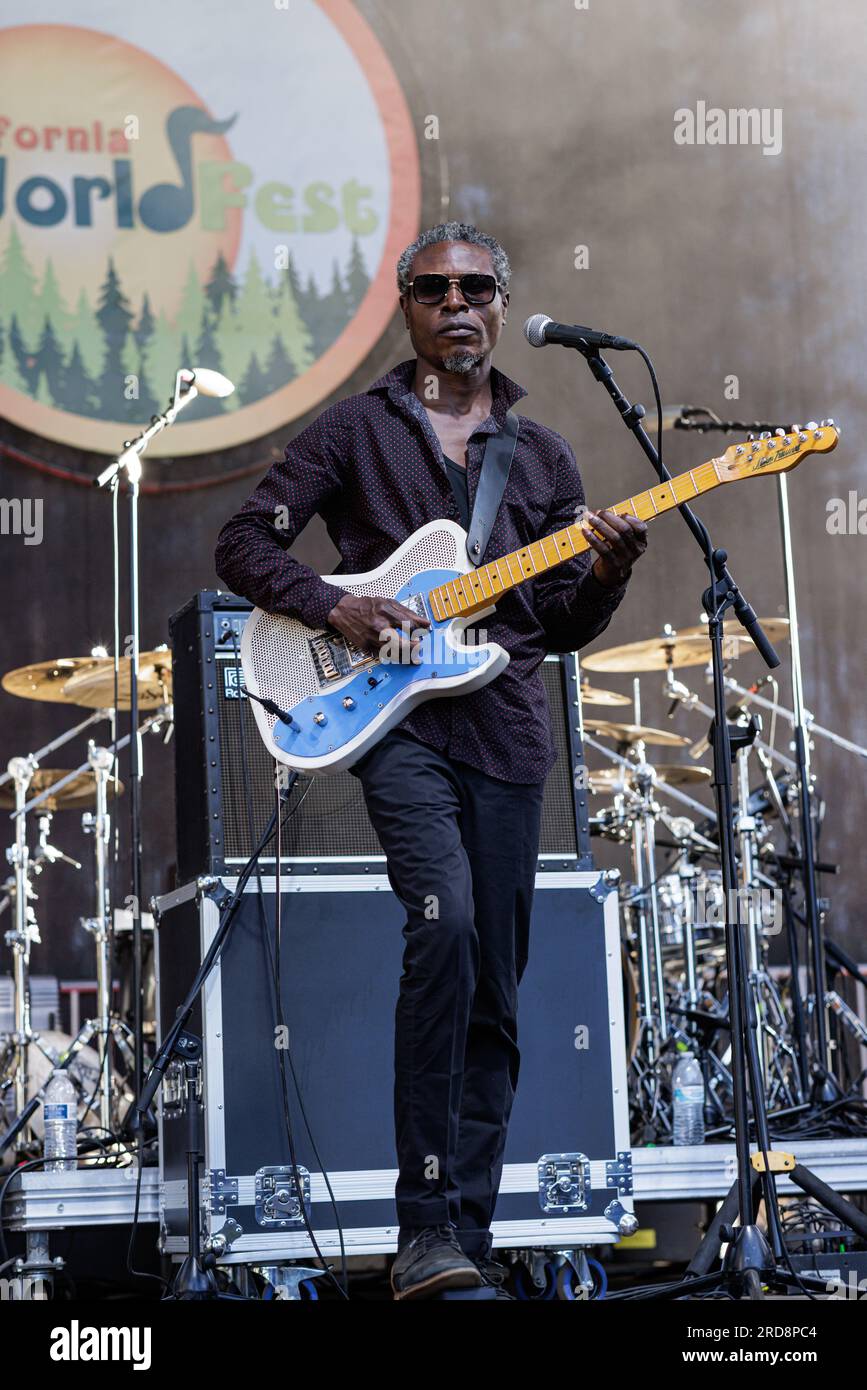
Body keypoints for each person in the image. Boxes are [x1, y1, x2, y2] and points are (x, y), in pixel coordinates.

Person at [215, 221, 648, 1299]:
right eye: (434, 287)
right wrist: (336, 604)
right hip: (396, 726)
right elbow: (241, 543)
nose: (458, 303)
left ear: (503, 303)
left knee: (497, 988)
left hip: (504, 731)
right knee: (441, 923)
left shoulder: (542, 458)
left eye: (477, 287)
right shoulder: (354, 430)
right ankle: (420, 1225)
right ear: (407, 304)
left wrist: (603, 578)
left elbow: (555, 622)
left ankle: (461, 1237)